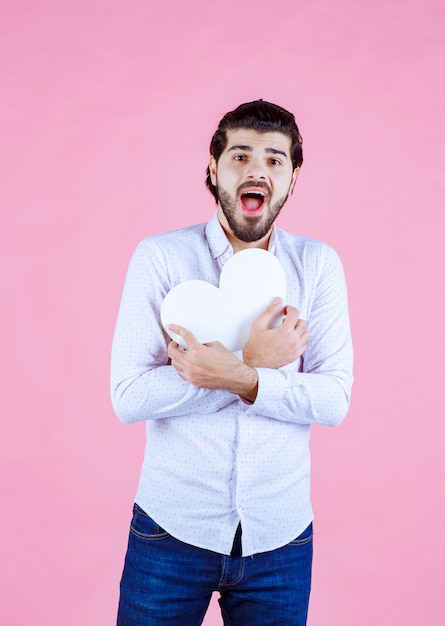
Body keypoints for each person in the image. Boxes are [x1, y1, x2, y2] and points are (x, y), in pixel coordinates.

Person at [111, 100, 353, 625]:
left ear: (292, 180)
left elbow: (334, 399)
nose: (257, 170)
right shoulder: (161, 258)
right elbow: (128, 395)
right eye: (241, 156)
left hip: (281, 538)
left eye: (274, 160)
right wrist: (254, 363)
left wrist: (239, 376)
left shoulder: (317, 266)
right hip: (170, 532)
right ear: (213, 169)